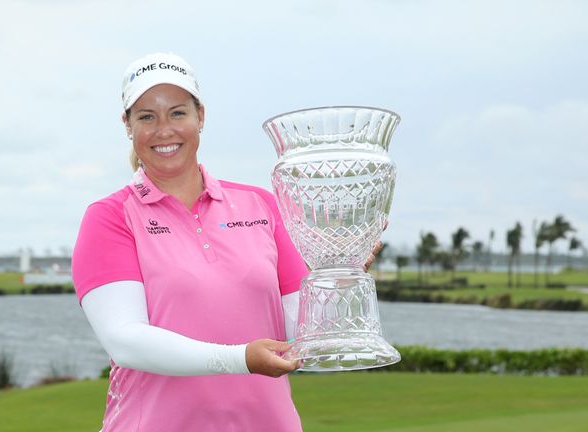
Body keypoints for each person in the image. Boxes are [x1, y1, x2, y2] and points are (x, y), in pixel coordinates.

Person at [72, 52, 381, 431]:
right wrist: (240, 358)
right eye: (146, 116)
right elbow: (126, 341)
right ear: (128, 125)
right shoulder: (111, 217)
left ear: (200, 117)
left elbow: (302, 330)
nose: (163, 129)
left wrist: (338, 275)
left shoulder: (262, 204)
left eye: (178, 112)